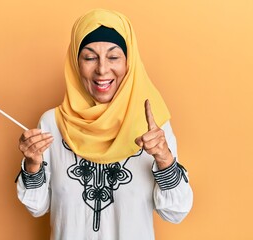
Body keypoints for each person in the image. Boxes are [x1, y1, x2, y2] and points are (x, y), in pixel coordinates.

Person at [16, 8, 193, 240]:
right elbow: (37, 206)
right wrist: (32, 164)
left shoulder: (152, 127)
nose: (101, 69)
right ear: (74, 63)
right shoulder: (53, 123)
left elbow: (175, 212)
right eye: (89, 57)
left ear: (129, 62)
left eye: (113, 57)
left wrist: (164, 159)